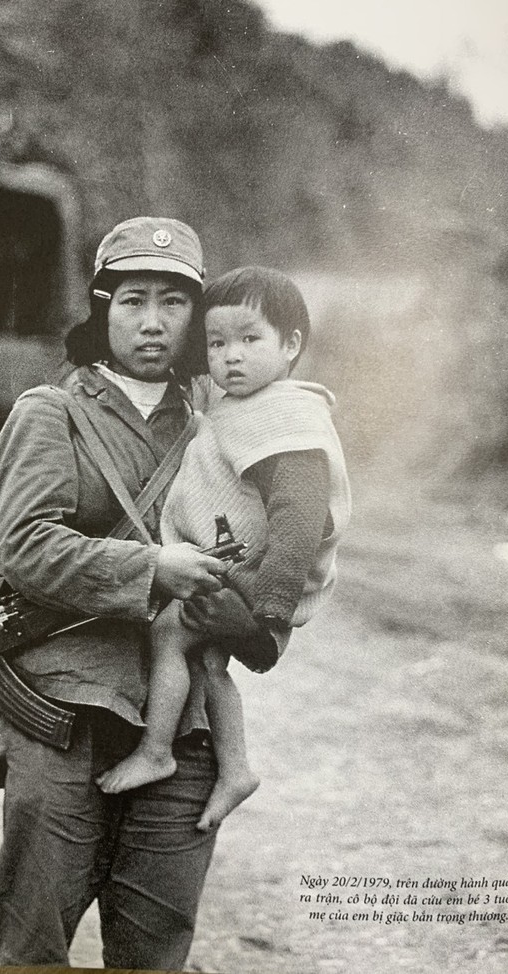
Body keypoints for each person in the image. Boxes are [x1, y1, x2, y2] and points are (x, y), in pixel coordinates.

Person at [0, 218, 279, 969]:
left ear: (197, 317)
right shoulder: (50, 413)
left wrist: (251, 616)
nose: (152, 322)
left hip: (183, 730)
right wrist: (152, 569)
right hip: (64, 711)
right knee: (31, 947)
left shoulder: (223, 430)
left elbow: (272, 558)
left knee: (154, 952)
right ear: (102, 310)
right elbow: (24, 547)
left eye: (173, 303)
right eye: (132, 301)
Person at [97, 266, 352, 832]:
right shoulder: (244, 400)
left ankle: (156, 751)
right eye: (216, 343)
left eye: (249, 339)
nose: (231, 356)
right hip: (241, 573)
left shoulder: (287, 417)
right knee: (209, 662)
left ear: (291, 346)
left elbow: (299, 519)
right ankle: (236, 769)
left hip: (257, 584)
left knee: (169, 634)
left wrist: (269, 609)